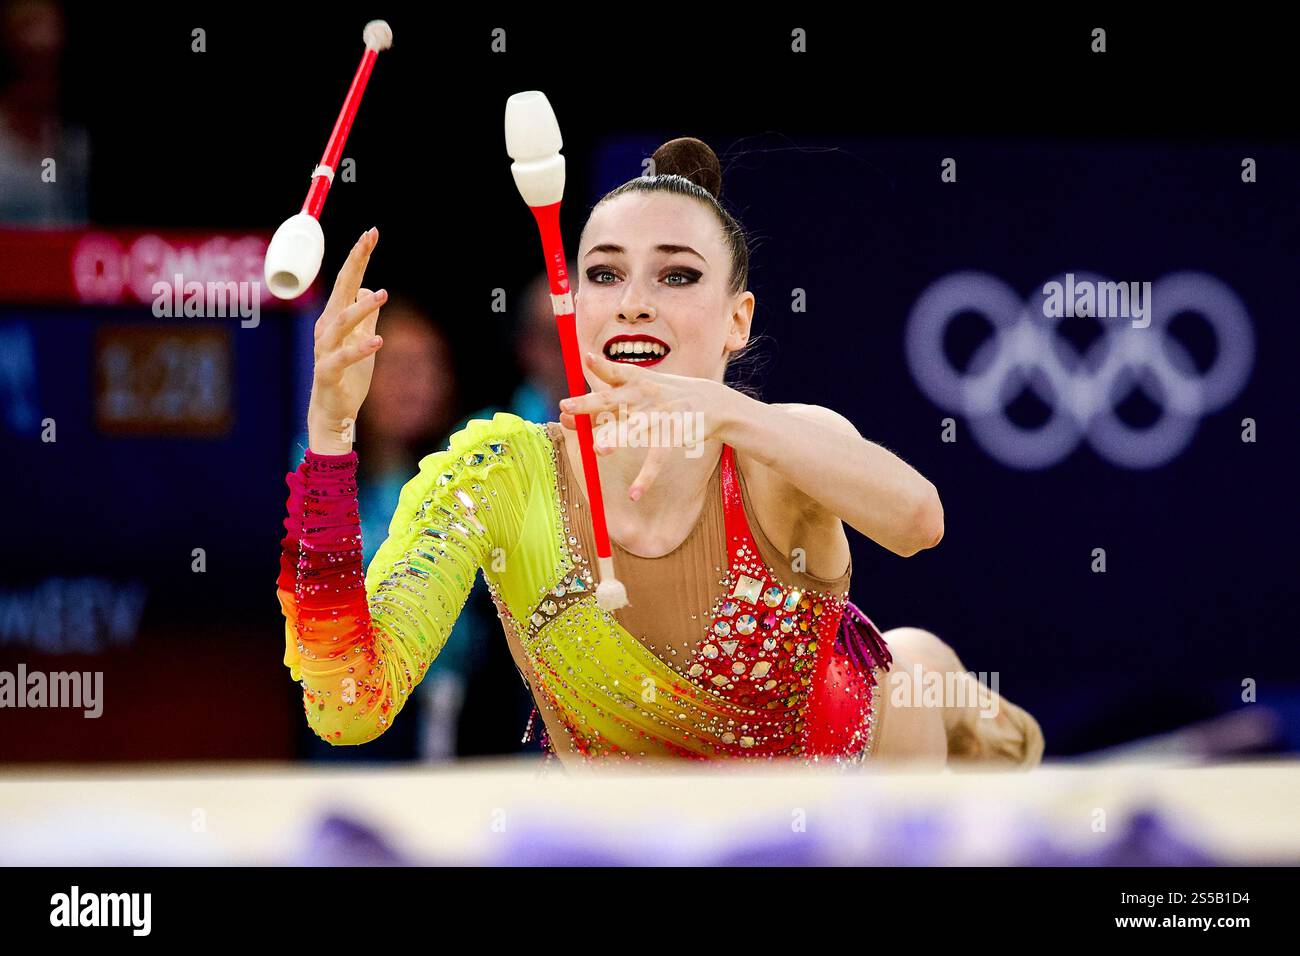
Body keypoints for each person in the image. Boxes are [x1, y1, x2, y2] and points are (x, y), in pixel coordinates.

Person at [276, 137, 1044, 770]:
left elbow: (918, 520)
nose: (634, 299)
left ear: (737, 321)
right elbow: (345, 707)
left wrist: (724, 411)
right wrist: (330, 442)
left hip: (856, 796)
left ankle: (943, 688)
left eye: (677, 274)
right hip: (641, 841)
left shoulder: (780, 445)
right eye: (605, 273)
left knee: (915, 675)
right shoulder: (501, 474)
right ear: (575, 310)